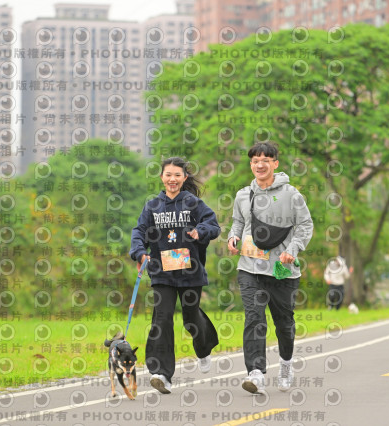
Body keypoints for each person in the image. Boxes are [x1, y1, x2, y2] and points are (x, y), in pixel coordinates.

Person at [227, 142, 313, 394]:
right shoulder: (243, 195)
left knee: (284, 323)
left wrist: (293, 250)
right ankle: (256, 374)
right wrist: (232, 237)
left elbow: (305, 225)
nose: (260, 164)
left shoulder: (291, 195)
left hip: (281, 269)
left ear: (275, 163)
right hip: (249, 267)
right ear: (251, 164)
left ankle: (285, 364)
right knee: (254, 318)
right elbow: (237, 222)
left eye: (266, 160)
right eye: (255, 160)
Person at [130, 157, 220, 394]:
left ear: (184, 178)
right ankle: (161, 373)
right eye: (168, 175)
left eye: (177, 175)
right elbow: (139, 232)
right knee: (162, 319)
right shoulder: (152, 206)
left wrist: (200, 231)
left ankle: (204, 347)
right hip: (162, 272)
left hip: (190, 272)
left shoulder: (194, 203)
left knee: (191, 318)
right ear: (162, 177)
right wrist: (139, 252)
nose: (172, 179)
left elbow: (213, 225)